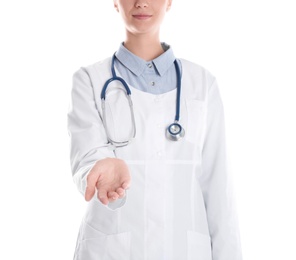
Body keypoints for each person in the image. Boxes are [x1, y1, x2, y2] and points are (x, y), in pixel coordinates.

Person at [67, 0, 243, 259]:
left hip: (184, 249)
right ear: (115, 2)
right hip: (112, 249)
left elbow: (218, 187)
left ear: (170, 1)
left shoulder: (203, 84)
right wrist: (99, 167)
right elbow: (86, 154)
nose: (141, 3)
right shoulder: (90, 79)